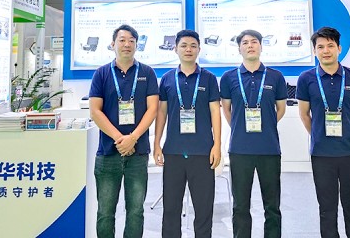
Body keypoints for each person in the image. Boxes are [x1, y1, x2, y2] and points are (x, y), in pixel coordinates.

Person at [296, 27, 350, 238]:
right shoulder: (306, 79)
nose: (325, 51)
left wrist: (349, 130)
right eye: (320, 47)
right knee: (327, 210)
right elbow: (304, 115)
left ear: (339, 48)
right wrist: (319, 135)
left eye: (330, 46)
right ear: (314, 51)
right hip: (322, 155)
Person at [89, 24, 159, 238]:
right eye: (122, 40)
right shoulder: (101, 73)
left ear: (137, 45)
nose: (127, 44)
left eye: (131, 40)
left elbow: (153, 109)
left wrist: (133, 138)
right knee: (105, 213)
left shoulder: (147, 72)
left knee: (136, 211)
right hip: (108, 153)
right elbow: (95, 111)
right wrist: (120, 139)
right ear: (113, 44)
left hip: (138, 153)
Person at [154, 29, 221, 238]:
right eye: (183, 45)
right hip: (173, 152)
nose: (188, 49)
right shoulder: (167, 79)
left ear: (199, 49)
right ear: (175, 49)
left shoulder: (209, 79)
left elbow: (215, 112)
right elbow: (161, 112)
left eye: (193, 46)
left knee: (203, 209)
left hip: (202, 152)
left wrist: (217, 145)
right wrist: (157, 143)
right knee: (171, 208)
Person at [220, 29, 287, 238]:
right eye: (245, 42)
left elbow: (281, 109)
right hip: (240, 149)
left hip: (269, 149)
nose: (250, 45)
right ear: (239, 48)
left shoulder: (275, 76)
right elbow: (227, 110)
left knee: (272, 206)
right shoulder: (229, 78)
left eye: (254, 41)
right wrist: (240, 126)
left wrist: (266, 125)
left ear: (261, 46)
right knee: (240, 205)